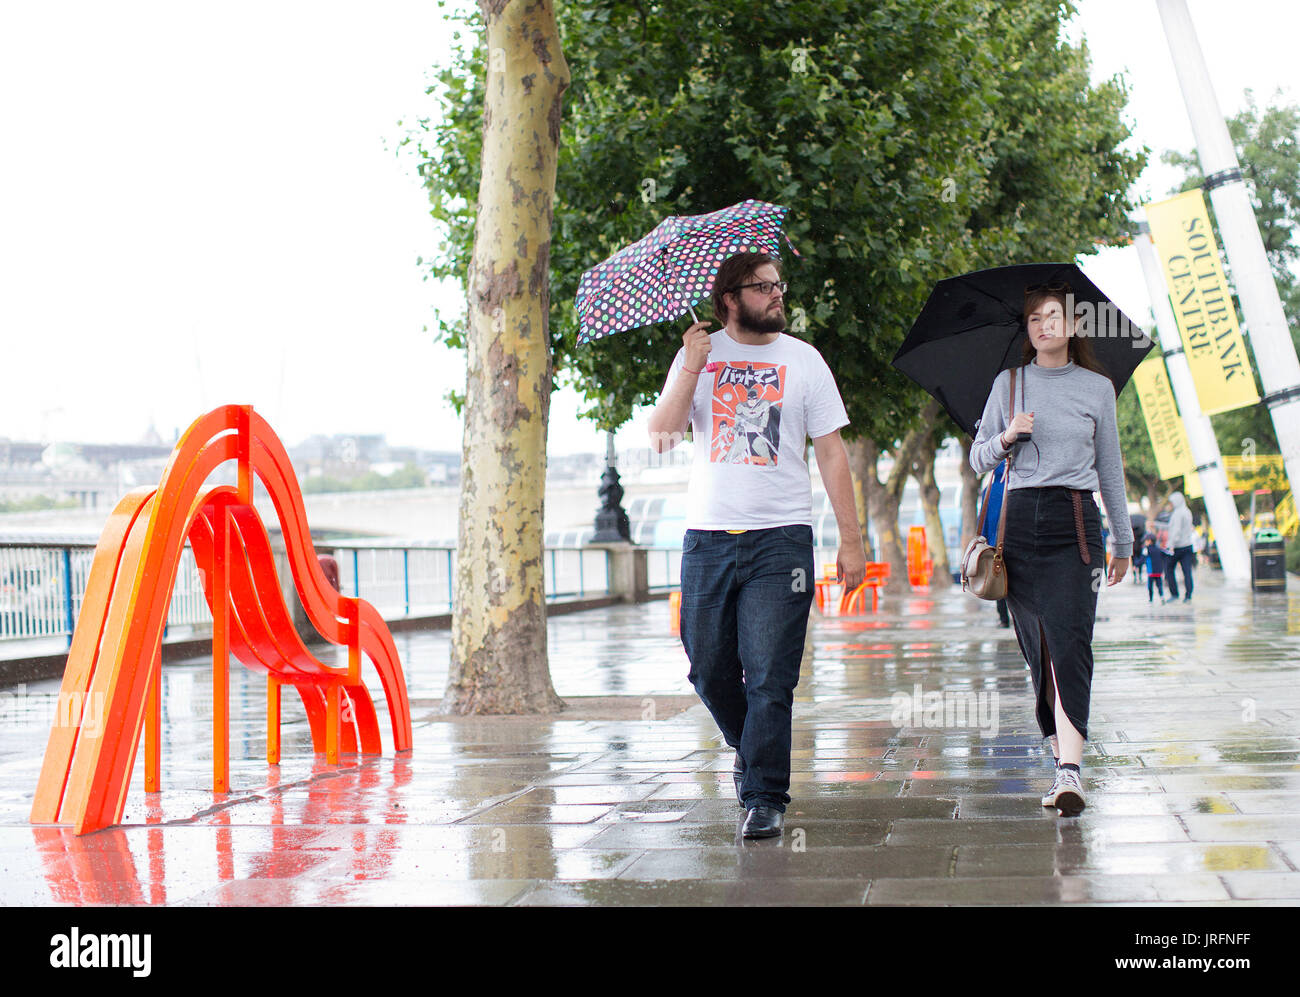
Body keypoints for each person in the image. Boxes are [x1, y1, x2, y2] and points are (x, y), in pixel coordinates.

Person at [648, 251, 866, 840]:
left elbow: (831, 453)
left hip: (782, 542)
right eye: (764, 287)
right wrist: (691, 367)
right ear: (729, 300)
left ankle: (765, 795)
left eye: (779, 285)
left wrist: (852, 540)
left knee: (771, 674)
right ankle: (751, 748)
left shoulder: (804, 361)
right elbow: (662, 438)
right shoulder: (698, 355)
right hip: (708, 541)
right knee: (709, 667)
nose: (777, 295)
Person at [970, 281, 1132, 817]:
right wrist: (1006, 437)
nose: (1043, 326)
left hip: (1077, 524)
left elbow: (1109, 469)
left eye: (1053, 317)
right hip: (1018, 526)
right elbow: (978, 460)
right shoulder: (1008, 384)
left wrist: (1124, 540)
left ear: (1075, 325)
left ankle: (1069, 771)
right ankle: (1059, 741)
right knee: (1037, 646)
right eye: (1035, 318)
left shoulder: (1096, 389)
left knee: (1071, 643)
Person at [1164, 492, 1196, 601]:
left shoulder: (1177, 513)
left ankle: (1174, 594)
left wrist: (1171, 545)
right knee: (1187, 571)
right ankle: (1188, 595)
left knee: (1168, 569)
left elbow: (1176, 531)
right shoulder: (1187, 511)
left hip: (1177, 547)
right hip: (1188, 545)